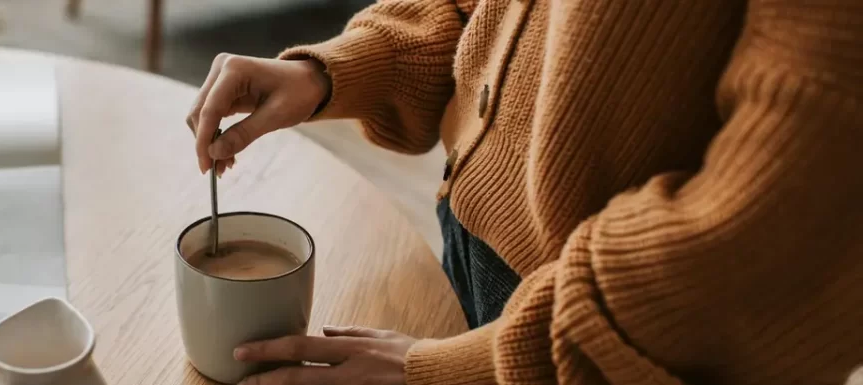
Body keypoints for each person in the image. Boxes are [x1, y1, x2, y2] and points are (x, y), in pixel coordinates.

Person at [185, 0, 863, 384]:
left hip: (603, 346)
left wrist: (463, 369)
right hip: (471, 267)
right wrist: (337, 71)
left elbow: (778, 226)